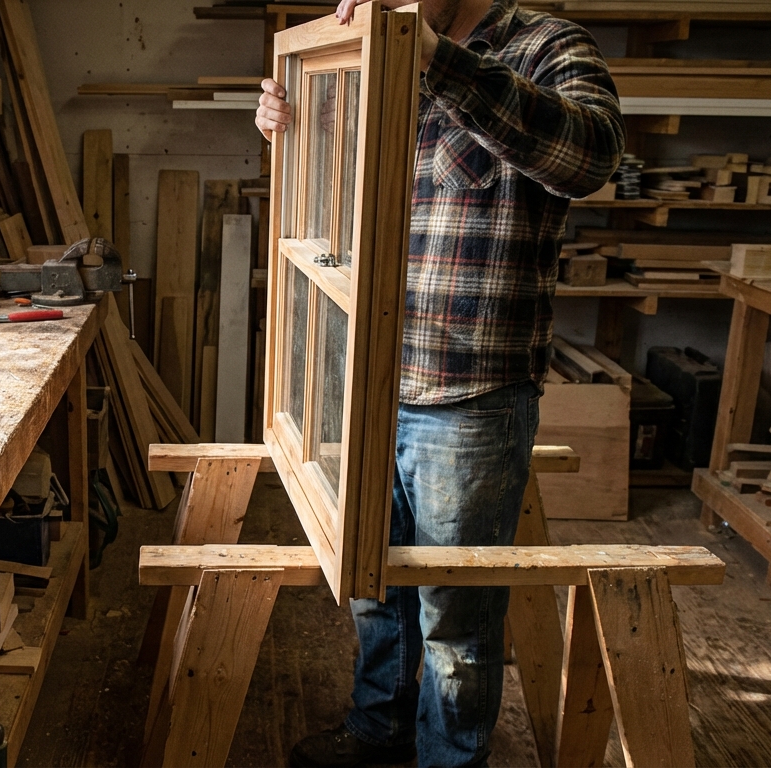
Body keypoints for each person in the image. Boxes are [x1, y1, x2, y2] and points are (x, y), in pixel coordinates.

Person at [255, 0, 623, 765]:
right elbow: (344, 185)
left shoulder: (546, 46)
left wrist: (437, 60)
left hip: (469, 393)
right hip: (364, 373)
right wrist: (293, 119)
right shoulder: (372, 53)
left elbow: (591, 159)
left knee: (454, 614)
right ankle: (378, 733)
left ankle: (449, 759)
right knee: (372, 584)